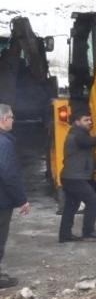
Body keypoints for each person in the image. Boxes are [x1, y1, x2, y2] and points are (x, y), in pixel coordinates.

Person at [59, 107, 96, 242]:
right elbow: (95, 141)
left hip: (71, 177)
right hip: (74, 178)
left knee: (71, 205)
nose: (89, 122)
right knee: (93, 201)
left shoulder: (81, 135)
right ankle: (88, 231)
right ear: (77, 122)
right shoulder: (77, 135)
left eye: (90, 119)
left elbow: (89, 156)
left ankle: (65, 235)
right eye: (85, 120)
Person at [0, 104, 30, 288]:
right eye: (11, 117)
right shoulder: (3, 143)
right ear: (3, 120)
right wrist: (22, 200)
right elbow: (8, 174)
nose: (13, 120)